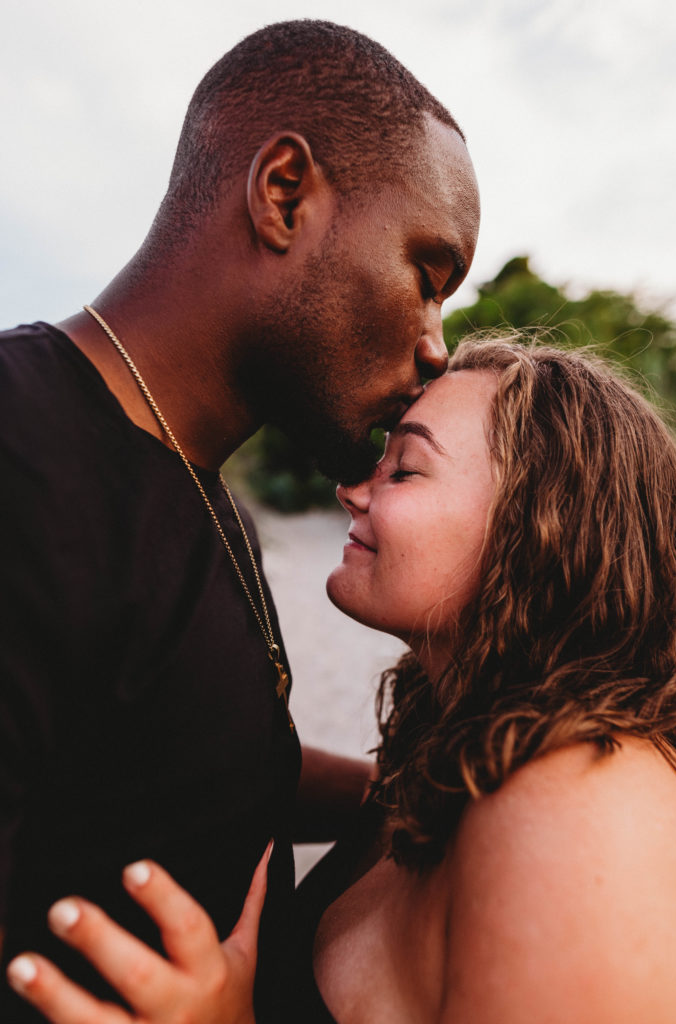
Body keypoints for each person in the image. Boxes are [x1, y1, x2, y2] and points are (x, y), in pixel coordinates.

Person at [0, 20, 480, 1023]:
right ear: (283, 195)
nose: (436, 343)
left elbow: (212, 758)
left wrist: (430, 794)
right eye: (427, 274)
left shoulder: (206, 495)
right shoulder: (19, 448)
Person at [9, 338, 676, 1022]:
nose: (351, 489)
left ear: (539, 526)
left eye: (405, 470)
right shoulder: (445, 749)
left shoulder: (587, 810)